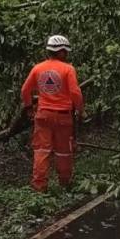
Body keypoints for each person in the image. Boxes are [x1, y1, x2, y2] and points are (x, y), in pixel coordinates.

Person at [21, 35, 84, 192]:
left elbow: (25, 90)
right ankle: (65, 183)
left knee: (42, 151)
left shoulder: (37, 68)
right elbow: (75, 92)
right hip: (63, 116)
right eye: (66, 51)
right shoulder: (68, 69)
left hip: (43, 115)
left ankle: (39, 187)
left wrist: (29, 107)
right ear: (61, 52)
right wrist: (80, 109)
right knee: (63, 151)